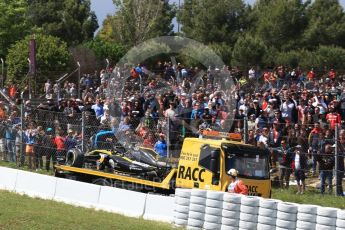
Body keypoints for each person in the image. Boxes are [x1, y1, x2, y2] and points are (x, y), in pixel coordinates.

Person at [336, 129, 345, 196]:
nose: (341, 136)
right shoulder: (337, 142)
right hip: (339, 162)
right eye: (340, 134)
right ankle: (340, 193)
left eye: (342, 134)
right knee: (339, 179)